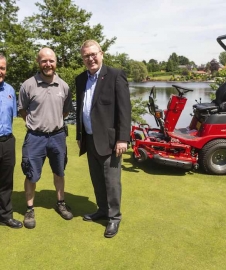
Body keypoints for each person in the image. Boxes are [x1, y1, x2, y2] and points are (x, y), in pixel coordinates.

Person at [75, 40, 131, 238]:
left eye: (93, 54)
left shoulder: (115, 75)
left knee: (111, 182)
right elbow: (80, 110)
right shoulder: (80, 79)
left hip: (110, 141)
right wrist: (79, 135)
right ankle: (102, 210)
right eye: (86, 56)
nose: (90, 59)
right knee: (97, 179)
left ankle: (114, 217)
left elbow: (124, 109)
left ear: (101, 53)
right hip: (89, 139)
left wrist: (123, 138)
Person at [18, 48, 73, 229]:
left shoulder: (64, 86)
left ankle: (60, 203)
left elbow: (65, 111)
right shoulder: (28, 85)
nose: (48, 64)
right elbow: (23, 111)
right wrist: (36, 124)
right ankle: (29, 209)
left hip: (57, 136)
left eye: (51, 60)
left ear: (56, 62)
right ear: (38, 62)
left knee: (59, 172)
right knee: (31, 174)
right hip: (35, 137)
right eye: (44, 61)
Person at [0, 54, 23, 229]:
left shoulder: (10, 91)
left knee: (6, 181)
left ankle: (5, 215)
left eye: (2, 68)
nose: (0, 71)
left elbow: (12, 116)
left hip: (7, 141)